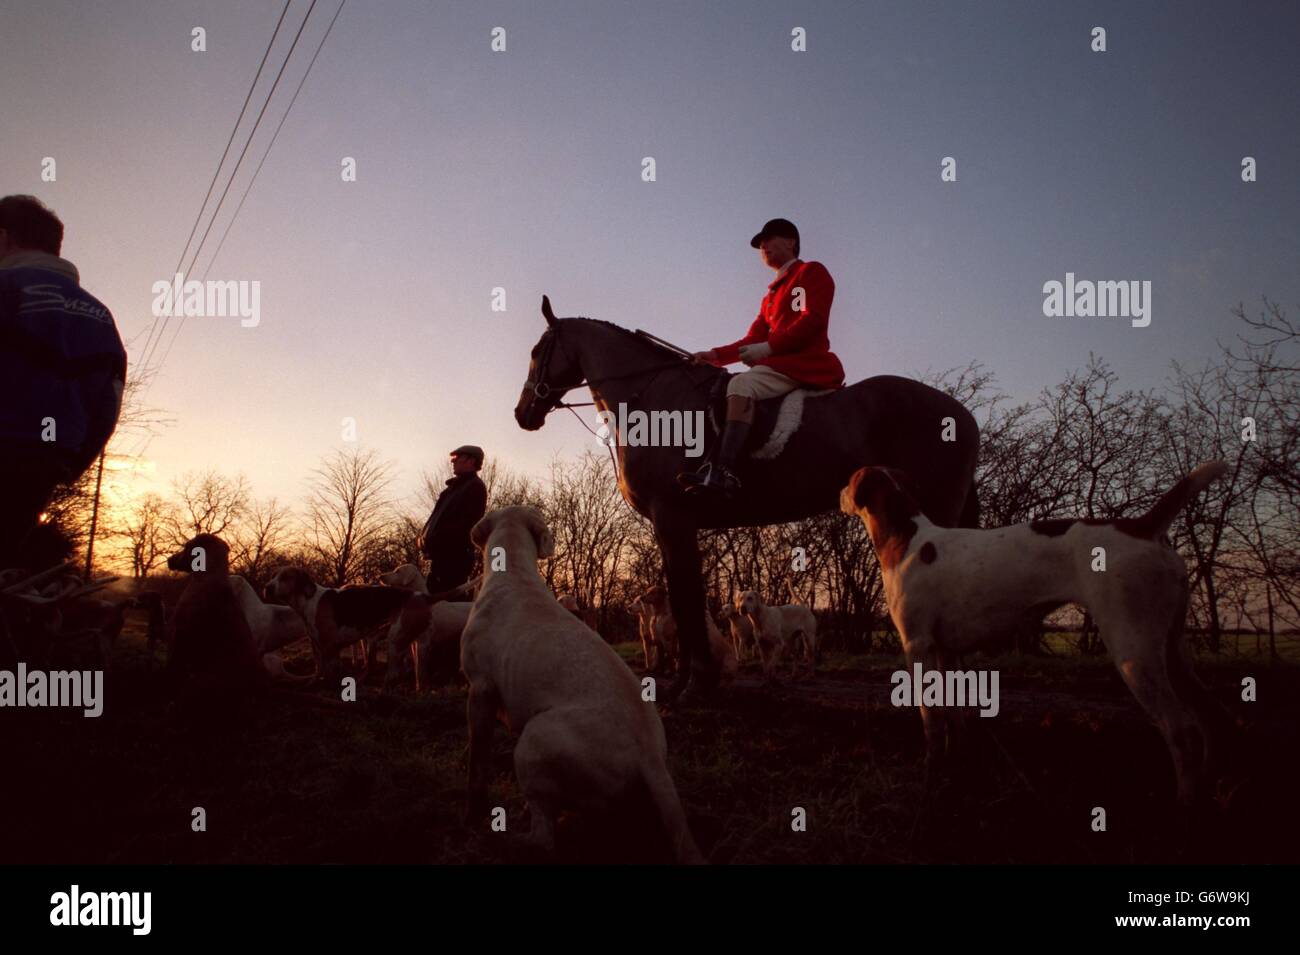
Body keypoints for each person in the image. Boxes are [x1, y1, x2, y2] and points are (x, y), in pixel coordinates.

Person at [0, 195, 127, 567]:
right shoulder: (101, 315)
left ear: (4, 237)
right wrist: (72, 462)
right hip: (47, 460)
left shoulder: (6, 287)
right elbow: (109, 401)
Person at [678, 218, 845, 496]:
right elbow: (752, 340)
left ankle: (723, 471)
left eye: (770, 239)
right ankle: (711, 465)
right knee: (722, 385)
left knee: (742, 385)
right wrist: (715, 355)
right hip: (778, 364)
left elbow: (813, 320)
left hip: (804, 363)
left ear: (791, 242)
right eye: (760, 244)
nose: (763, 246)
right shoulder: (769, 298)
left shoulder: (809, 272)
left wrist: (769, 348)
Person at [419, 444, 488, 594]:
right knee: (434, 603)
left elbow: (467, 524)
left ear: (470, 461)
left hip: (454, 558)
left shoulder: (475, 487)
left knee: (446, 604)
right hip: (441, 557)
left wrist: (439, 538)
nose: (453, 461)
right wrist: (425, 537)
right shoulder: (452, 490)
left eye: (457, 458)